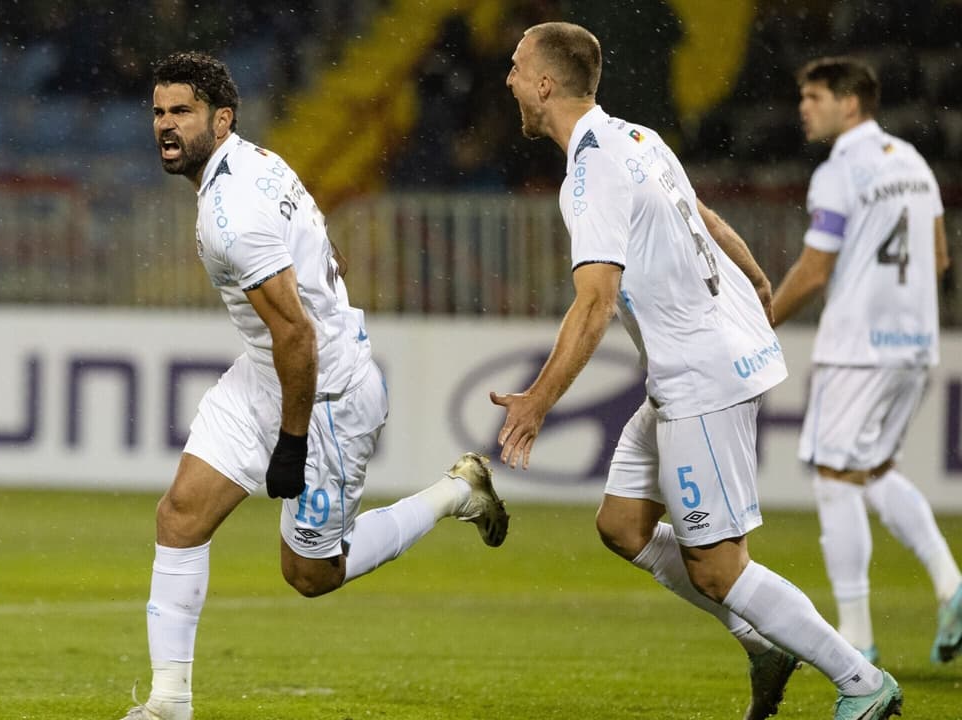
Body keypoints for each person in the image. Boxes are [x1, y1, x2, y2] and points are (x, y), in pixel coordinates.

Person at [492, 23, 902, 720]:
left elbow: (594, 303)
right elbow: (705, 217)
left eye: (515, 66)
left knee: (718, 566)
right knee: (622, 525)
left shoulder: (591, 172)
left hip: (700, 375)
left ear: (544, 84)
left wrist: (536, 402)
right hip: (701, 359)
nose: (506, 79)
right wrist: (757, 279)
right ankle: (761, 638)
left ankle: (861, 683)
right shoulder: (637, 137)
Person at [120, 51, 509, 720]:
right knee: (180, 517)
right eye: (158, 111)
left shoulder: (229, 214)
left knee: (310, 574)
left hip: (325, 397)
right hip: (268, 373)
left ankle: (455, 493)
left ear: (222, 117)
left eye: (181, 111)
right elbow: (316, 256)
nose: (165, 124)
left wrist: (291, 445)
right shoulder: (255, 162)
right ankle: (168, 703)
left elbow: (297, 337)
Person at [772, 55, 962, 666]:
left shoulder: (838, 171)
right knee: (873, 469)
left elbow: (814, 269)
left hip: (856, 350)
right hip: (913, 345)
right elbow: (937, 258)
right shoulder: (913, 162)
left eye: (814, 96)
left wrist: (760, 320)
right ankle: (952, 586)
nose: (804, 107)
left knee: (834, 479)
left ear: (849, 104)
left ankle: (856, 636)